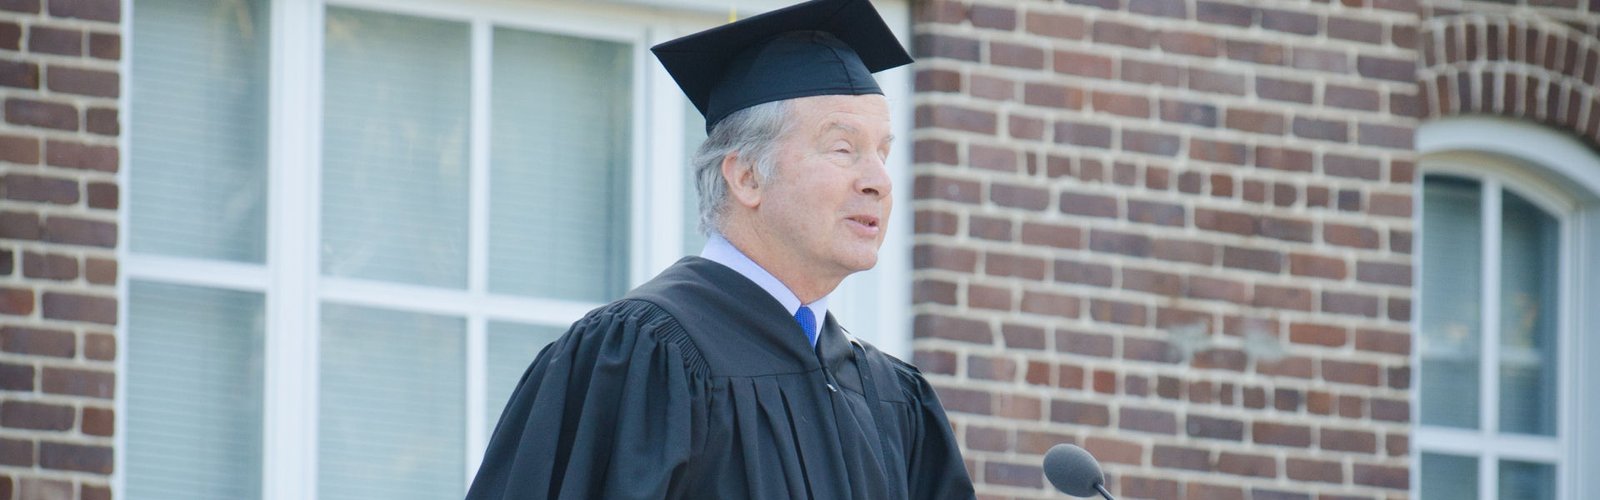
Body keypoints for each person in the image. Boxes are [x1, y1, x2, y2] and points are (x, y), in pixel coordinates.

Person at [466, 0, 975, 498]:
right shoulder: (643, 359)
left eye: (883, 152)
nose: (879, 181)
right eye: (844, 149)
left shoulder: (894, 400)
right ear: (747, 176)